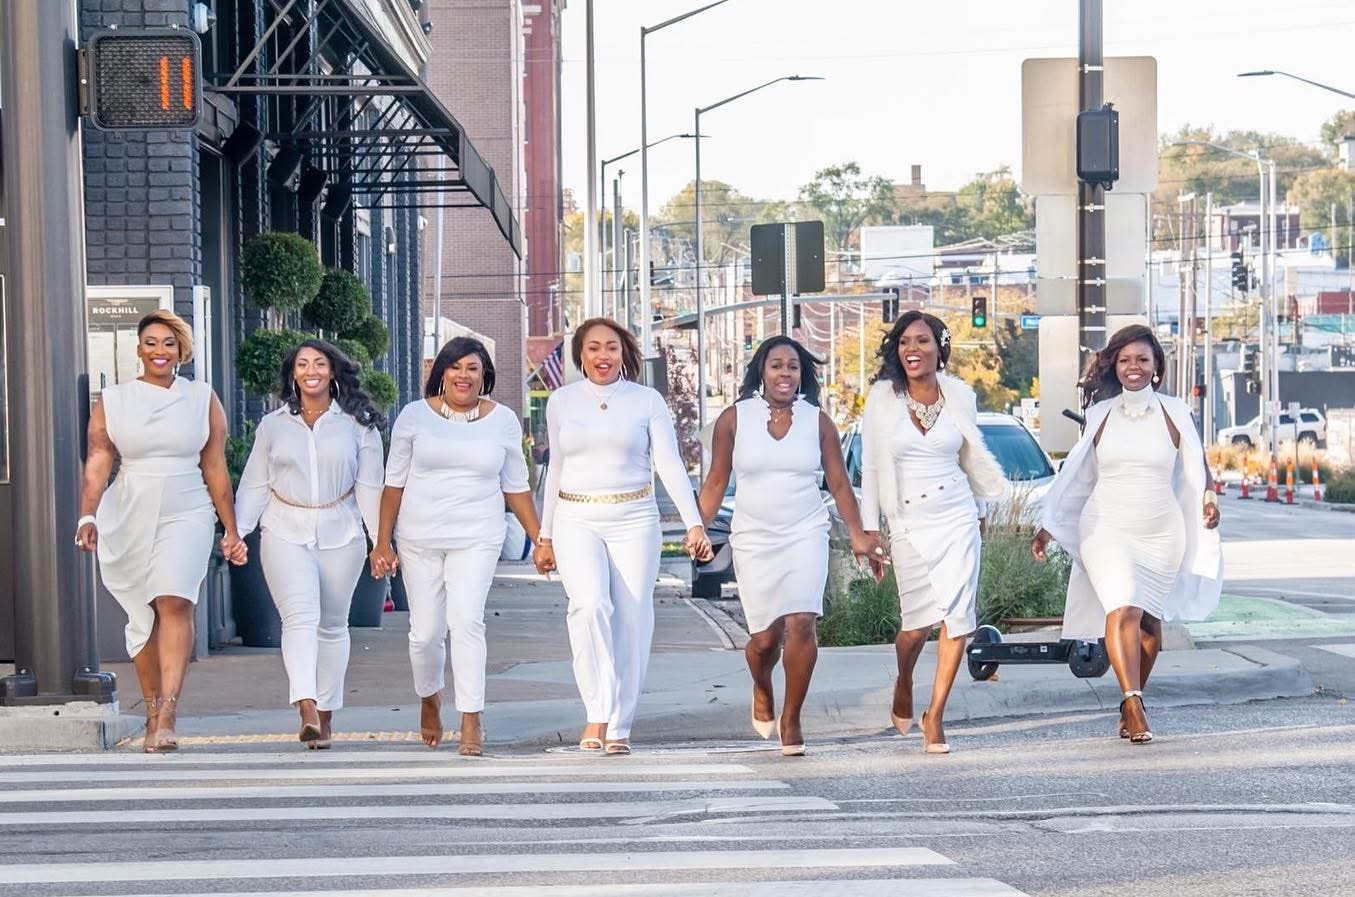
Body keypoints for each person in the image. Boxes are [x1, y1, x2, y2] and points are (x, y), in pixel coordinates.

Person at [1031, 324, 1222, 744]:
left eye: (1142, 359)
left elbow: (1198, 467)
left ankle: (1129, 699)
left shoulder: (1176, 412)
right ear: (1114, 366)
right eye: (1125, 359)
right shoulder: (1098, 416)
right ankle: (1134, 704)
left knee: (1151, 627)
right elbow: (1077, 477)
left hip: (1159, 530)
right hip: (1105, 526)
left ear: (1156, 367)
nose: (1133, 367)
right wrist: (1048, 523)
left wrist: (1208, 500)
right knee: (1122, 608)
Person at [696, 336, 886, 756]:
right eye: (777, 365)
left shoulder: (817, 421)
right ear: (761, 370)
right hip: (753, 535)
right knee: (764, 639)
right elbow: (715, 481)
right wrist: (697, 527)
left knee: (801, 622)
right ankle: (762, 686)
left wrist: (858, 533)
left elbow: (837, 483)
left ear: (803, 374)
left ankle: (792, 716)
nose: (786, 374)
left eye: (793, 367)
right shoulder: (734, 419)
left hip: (805, 529)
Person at [533, 318, 713, 756]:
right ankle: (597, 710)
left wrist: (694, 523)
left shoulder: (646, 400)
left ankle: (619, 724)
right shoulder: (561, 401)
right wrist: (545, 534)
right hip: (576, 516)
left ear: (622, 353)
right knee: (589, 605)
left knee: (632, 617)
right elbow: (555, 468)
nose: (602, 356)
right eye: (593, 348)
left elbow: (669, 463)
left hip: (634, 516)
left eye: (611, 347)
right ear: (580, 355)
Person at [75, 310, 247, 753]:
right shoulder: (113, 400)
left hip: (187, 507)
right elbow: (98, 460)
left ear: (180, 351)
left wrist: (231, 528)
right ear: (138, 349)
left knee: (175, 599)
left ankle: (168, 711)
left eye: (168, 343)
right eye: (151, 342)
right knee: (142, 614)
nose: (159, 351)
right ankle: (151, 709)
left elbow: (214, 466)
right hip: (129, 507)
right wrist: (87, 515)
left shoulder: (201, 397)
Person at [370, 337, 543, 757]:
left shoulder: (502, 421)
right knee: (425, 634)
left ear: (485, 376)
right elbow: (393, 484)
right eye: (456, 367)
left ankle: (472, 717)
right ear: (441, 372)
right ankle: (430, 697)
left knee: (467, 622)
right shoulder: (414, 417)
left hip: (477, 536)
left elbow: (516, 486)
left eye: (473, 367)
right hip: (419, 537)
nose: (464, 375)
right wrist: (382, 542)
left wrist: (541, 539)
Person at [860, 311, 1007, 755]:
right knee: (915, 626)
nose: (912, 350)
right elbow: (869, 467)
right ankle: (904, 678)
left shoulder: (961, 395)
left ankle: (936, 715)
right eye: (905, 342)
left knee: (958, 617)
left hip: (958, 514)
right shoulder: (882, 398)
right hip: (907, 520)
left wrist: (980, 510)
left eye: (922, 341)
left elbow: (970, 456)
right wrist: (870, 530)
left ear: (939, 348)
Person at [234, 340, 385, 750]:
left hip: (343, 531)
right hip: (284, 529)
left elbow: (371, 488)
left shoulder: (359, 426)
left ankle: (327, 714)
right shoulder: (273, 425)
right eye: (302, 364)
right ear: (293, 374)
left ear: (333, 372)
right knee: (298, 619)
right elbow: (254, 482)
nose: (311, 370)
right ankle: (307, 706)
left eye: (319, 363)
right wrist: (238, 532)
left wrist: (381, 542)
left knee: (333, 626)